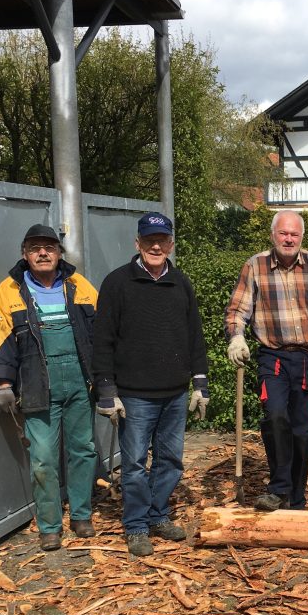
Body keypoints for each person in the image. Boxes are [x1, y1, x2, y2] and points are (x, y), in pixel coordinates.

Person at [225, 211, 308, 512]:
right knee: (275, 417)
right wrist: (236, 337)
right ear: (273, 235)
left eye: (294, 234)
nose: (288, 239)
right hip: (272, 356)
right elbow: (237, 309)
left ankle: (295, 498)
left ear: (301, 237)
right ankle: (279, 487)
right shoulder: (255, 265)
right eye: (283, 233)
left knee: (304, 429)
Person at [92, 212, 209, 556]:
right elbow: (102, 340)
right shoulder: (117, 283)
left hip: (174, 392)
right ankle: (137, 526)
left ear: (171, 244)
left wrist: (199, 383)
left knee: (170, 461)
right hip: (135, 395)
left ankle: (158, 515)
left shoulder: (180, 282)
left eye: (162, 240)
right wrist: (106, 389)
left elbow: (194, 337)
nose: (156, 246)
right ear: (137, 243)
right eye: (148, 240)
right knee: (133, 464)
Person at [0, 224, 98, 551]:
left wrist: (107, 380)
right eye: (35, 247)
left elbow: (99, 332)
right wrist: (4, 383)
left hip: (81, 381)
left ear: (59, 253)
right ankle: (50, 525)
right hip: (37, 383)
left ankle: (81, 515)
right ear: (25, 253)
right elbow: (3, 339)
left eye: (49, 247)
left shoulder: (79, 285)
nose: (42, 253)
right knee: (43, 458)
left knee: (83, 450)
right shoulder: (9, 289)